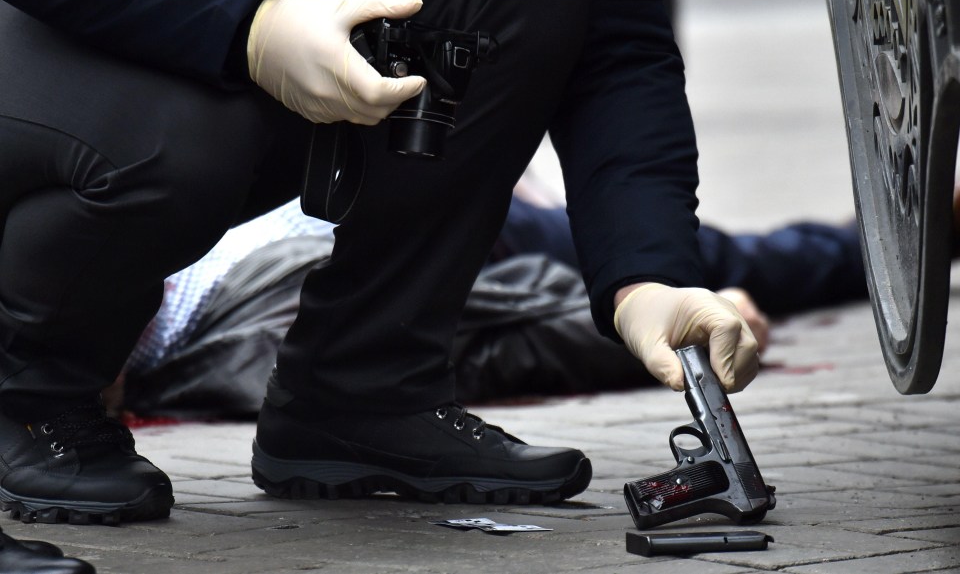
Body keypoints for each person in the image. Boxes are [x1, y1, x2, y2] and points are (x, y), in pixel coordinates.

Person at [0, 0, 758, 525]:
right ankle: (28, 393)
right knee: (191, 130)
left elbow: (617, 42)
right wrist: (249, 27)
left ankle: (364, 388)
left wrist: (647, 272)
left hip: (267, 34)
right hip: (57, 11)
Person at [113, 192, 865, 418]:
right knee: (736, 264)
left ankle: (886, 236)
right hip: (479, 244)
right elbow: (504, 349)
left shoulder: (150, 274)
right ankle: (895, 241)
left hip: (429, 200)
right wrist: (684, 330)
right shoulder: (237, 359)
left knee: (718, 251)